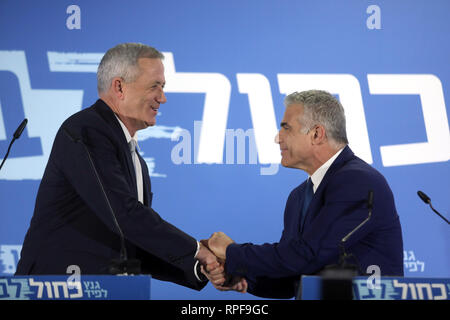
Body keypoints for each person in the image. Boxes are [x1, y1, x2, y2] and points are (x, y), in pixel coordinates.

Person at [15, 43, 227, 291]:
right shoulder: (87, 130)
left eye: (163, 86)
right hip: (54, 289)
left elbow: (135, 244)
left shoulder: (134, 157)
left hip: (105, 290)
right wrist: (196, 249)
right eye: (154, 86)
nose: (163, 97)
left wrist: (197, 267)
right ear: (119, 87)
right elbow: (124, 215)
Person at [205, 90, 404, 298]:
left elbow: (308, 254)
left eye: (286, 128)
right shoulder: (298, 197)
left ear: (316, 134)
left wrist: (231, 252)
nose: (277, 138)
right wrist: (243, 278)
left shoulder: (358, 181)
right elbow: (291, 276)